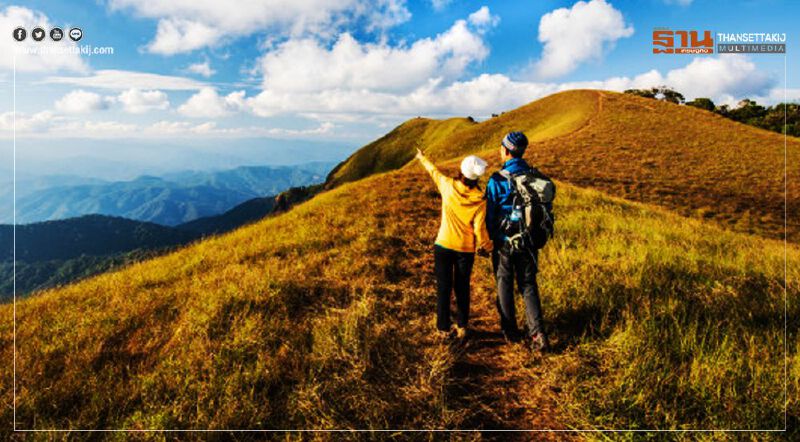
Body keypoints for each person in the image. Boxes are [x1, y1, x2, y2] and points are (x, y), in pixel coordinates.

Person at [415, 148, 493, 340]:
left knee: (443, 287)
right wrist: (485, 245)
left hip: (443, 244)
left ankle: (443, 328)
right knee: (462, 287)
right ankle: (462, 326)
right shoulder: (480, 199)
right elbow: (479, 228)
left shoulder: (447, 186)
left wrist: (422, 157)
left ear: (461, 170)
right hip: (465, 250)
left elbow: (433, 171)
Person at [485, 131, 550, 352]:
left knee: (504, 283)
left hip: (504, 241)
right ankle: (538, 334)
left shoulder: (496, 179)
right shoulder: (535, 176)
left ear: (506, 150)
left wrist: (491, 238)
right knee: (528, 285)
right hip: (530, 240)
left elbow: (490, 213)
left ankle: (510, 332)